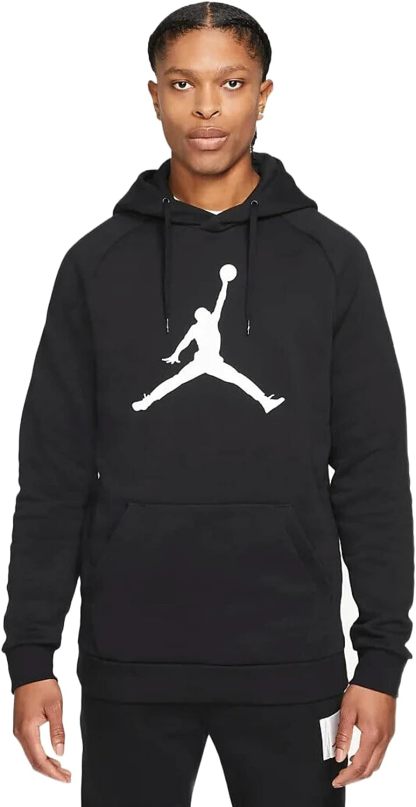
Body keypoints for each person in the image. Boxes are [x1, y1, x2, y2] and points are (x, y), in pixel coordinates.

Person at [2, 3, 414, 805]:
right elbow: (52, 476)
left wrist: (380, 660)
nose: (206, 108)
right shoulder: (96, 264)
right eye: (183, 83)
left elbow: (372, 472)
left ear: (263, 94)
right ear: (154, 95)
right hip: (131, 661)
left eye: (230, 83)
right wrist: (30, 655)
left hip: (289, 658)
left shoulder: (331, 261)